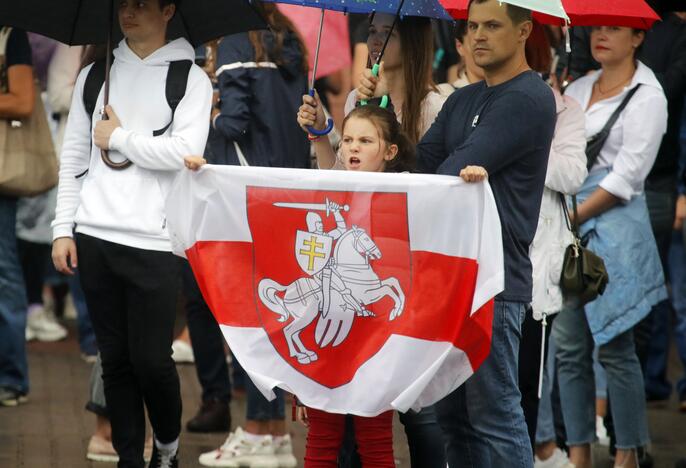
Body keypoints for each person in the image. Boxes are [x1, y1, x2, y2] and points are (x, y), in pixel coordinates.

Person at [383, 0, 556, 465]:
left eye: (492, 25)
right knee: (455, 420)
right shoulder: (462, 97)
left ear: (524, 31)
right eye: (472, 25)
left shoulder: (529, 97)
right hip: (450, 276)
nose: (478, 34)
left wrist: (437, 170)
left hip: (493, 280)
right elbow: (413, 165)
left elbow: (450, 169)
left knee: (494, 417)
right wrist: (372, 104)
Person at [50, 1, 213, 467]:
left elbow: (185, 152)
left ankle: (166, 448)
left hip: (157, 242)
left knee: (152, 362)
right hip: (96, 236)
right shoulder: (95, 76)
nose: (130, 11)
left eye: (143, 3)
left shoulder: (191, 79)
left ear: (168, 10)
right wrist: (64, 228)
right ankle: (129, 458)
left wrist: (119, 139)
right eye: (124, 2)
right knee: (114, 362)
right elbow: (75, 158)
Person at [301, 14, 448, 468]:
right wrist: (327, 129)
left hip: (410, 266)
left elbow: (436, 187)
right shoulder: (357, 99)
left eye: (389, 32)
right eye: (372, 32)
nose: (376, 39)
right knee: (342, 418)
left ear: (417, 39)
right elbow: (337, 183)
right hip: (361, 268)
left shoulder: (438, 104)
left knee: (419, 418)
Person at [193, 2, 308, 466]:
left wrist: (206, 117)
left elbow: (235, 123)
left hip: (247, 194)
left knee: (252, 317)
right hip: (292, 193)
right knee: (276, 315)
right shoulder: (293, 45)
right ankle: (273, 434)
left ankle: (260, 432)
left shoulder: (236, 46)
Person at [555, 24, 668, 468]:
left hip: (613, 228)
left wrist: (574, 216)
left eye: (615, 29)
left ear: (638, 38)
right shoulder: (578, 86)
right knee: (568, 347)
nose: (601, 35)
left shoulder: (649, 94)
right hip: (571, 225)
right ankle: (578, 452)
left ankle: (626, 455)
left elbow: (628, 178)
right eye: (597, 27)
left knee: (617, 346)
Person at [291, 103, 413, 467]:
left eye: (365, 140)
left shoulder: (409, 195)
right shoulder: (332, 189)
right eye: (348, 140)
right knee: (321, 440)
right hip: (329, 348)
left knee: (375, 444)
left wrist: (467, 180)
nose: (353, 147)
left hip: (378, 344)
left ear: (390, 152)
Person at [0, 26, 34, 408]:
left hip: (1, 175)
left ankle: (10, 377)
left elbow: (23, 102)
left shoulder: (10, 34)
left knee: (4, 274)